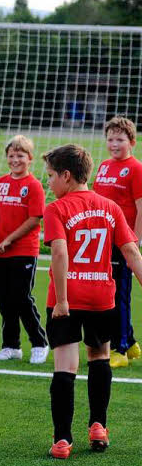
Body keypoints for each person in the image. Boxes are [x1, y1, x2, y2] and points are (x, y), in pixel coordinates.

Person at [40, 143, 142, 459]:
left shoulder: (56, 209)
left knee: (65, 367)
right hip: (102, 298)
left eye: (51, 176)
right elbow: (131, 253)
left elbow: (59, 252)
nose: (49, 183)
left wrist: (62, 301)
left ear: (67, 175)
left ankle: (62, 439)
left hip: (68, 298)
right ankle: (98, 426)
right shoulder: (110, 207)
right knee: (99, 358)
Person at [0, 135, 49, 364]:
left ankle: (39, 343)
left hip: (24, 251)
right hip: (0, 252)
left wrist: (9, 239)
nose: (15, 160)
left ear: (30, 159)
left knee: (21, 298)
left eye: (20, 155)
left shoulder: (33, 186)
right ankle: (11, 345)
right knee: (5, 301)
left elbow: (34, 219)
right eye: (11, 155)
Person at [91, 116, 142, 368]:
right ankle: (131, 343)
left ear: (131, 141)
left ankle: (119, 349)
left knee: (119, 294)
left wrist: (136, 240)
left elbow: (140, 207)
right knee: (106, 291)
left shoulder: (136, 168)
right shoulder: (103, 166)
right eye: (110, 139)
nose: (114, 144)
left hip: (124, 242)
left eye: (120, 139)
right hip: (102, 240)